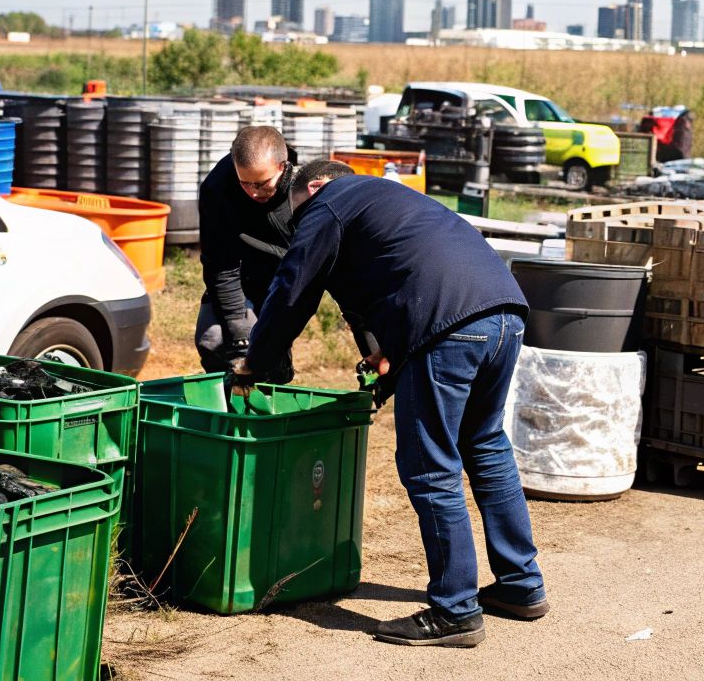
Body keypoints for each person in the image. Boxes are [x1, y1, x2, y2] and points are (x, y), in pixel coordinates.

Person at [232, 159, 547, 648]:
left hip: (450, 325)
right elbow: (398, 281)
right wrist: (390, 355)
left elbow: (294, 288)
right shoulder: (390, 203)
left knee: (430, 467)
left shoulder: (329, 201)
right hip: (504, 312)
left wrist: (256, 361)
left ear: (314, 186)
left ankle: (455, 611)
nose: (300, 226)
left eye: (299, 217)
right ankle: (521, 585)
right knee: (486, 447)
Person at [194, 125, 298, 373]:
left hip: (281, 282)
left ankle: (277, 383)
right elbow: (221, 266)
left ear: (281, 167)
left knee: (267, 358)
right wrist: (238, 327)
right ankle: (228, 408)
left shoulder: (303, 189)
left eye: (262, 184)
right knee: (213, 340)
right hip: (237, 274)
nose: (253, 192)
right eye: (245, 183)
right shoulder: (216, 191)